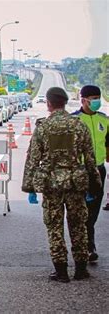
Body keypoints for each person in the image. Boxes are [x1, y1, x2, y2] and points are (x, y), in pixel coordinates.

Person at [22, 87, 101, 282]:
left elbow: (33, 159)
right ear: (65, 103)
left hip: (51, 184)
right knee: (78, 225)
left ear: (48, 104)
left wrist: (29, 187)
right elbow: (90, 159)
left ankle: (61, 270)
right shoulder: (79, 125)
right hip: (75, 183)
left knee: (54, 226)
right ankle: (81, 269)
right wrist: (95, 185)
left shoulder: (43, 127)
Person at [71, 85, 108, 262]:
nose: (96, 102)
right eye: (92, 98)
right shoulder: (74, 120)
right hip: (79, 170)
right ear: (83, 99)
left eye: (98, 98)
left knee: (93, 211)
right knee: (80, 211)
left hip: (98, 170)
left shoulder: (104, 119)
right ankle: (85, 246)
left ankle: (88, 243)